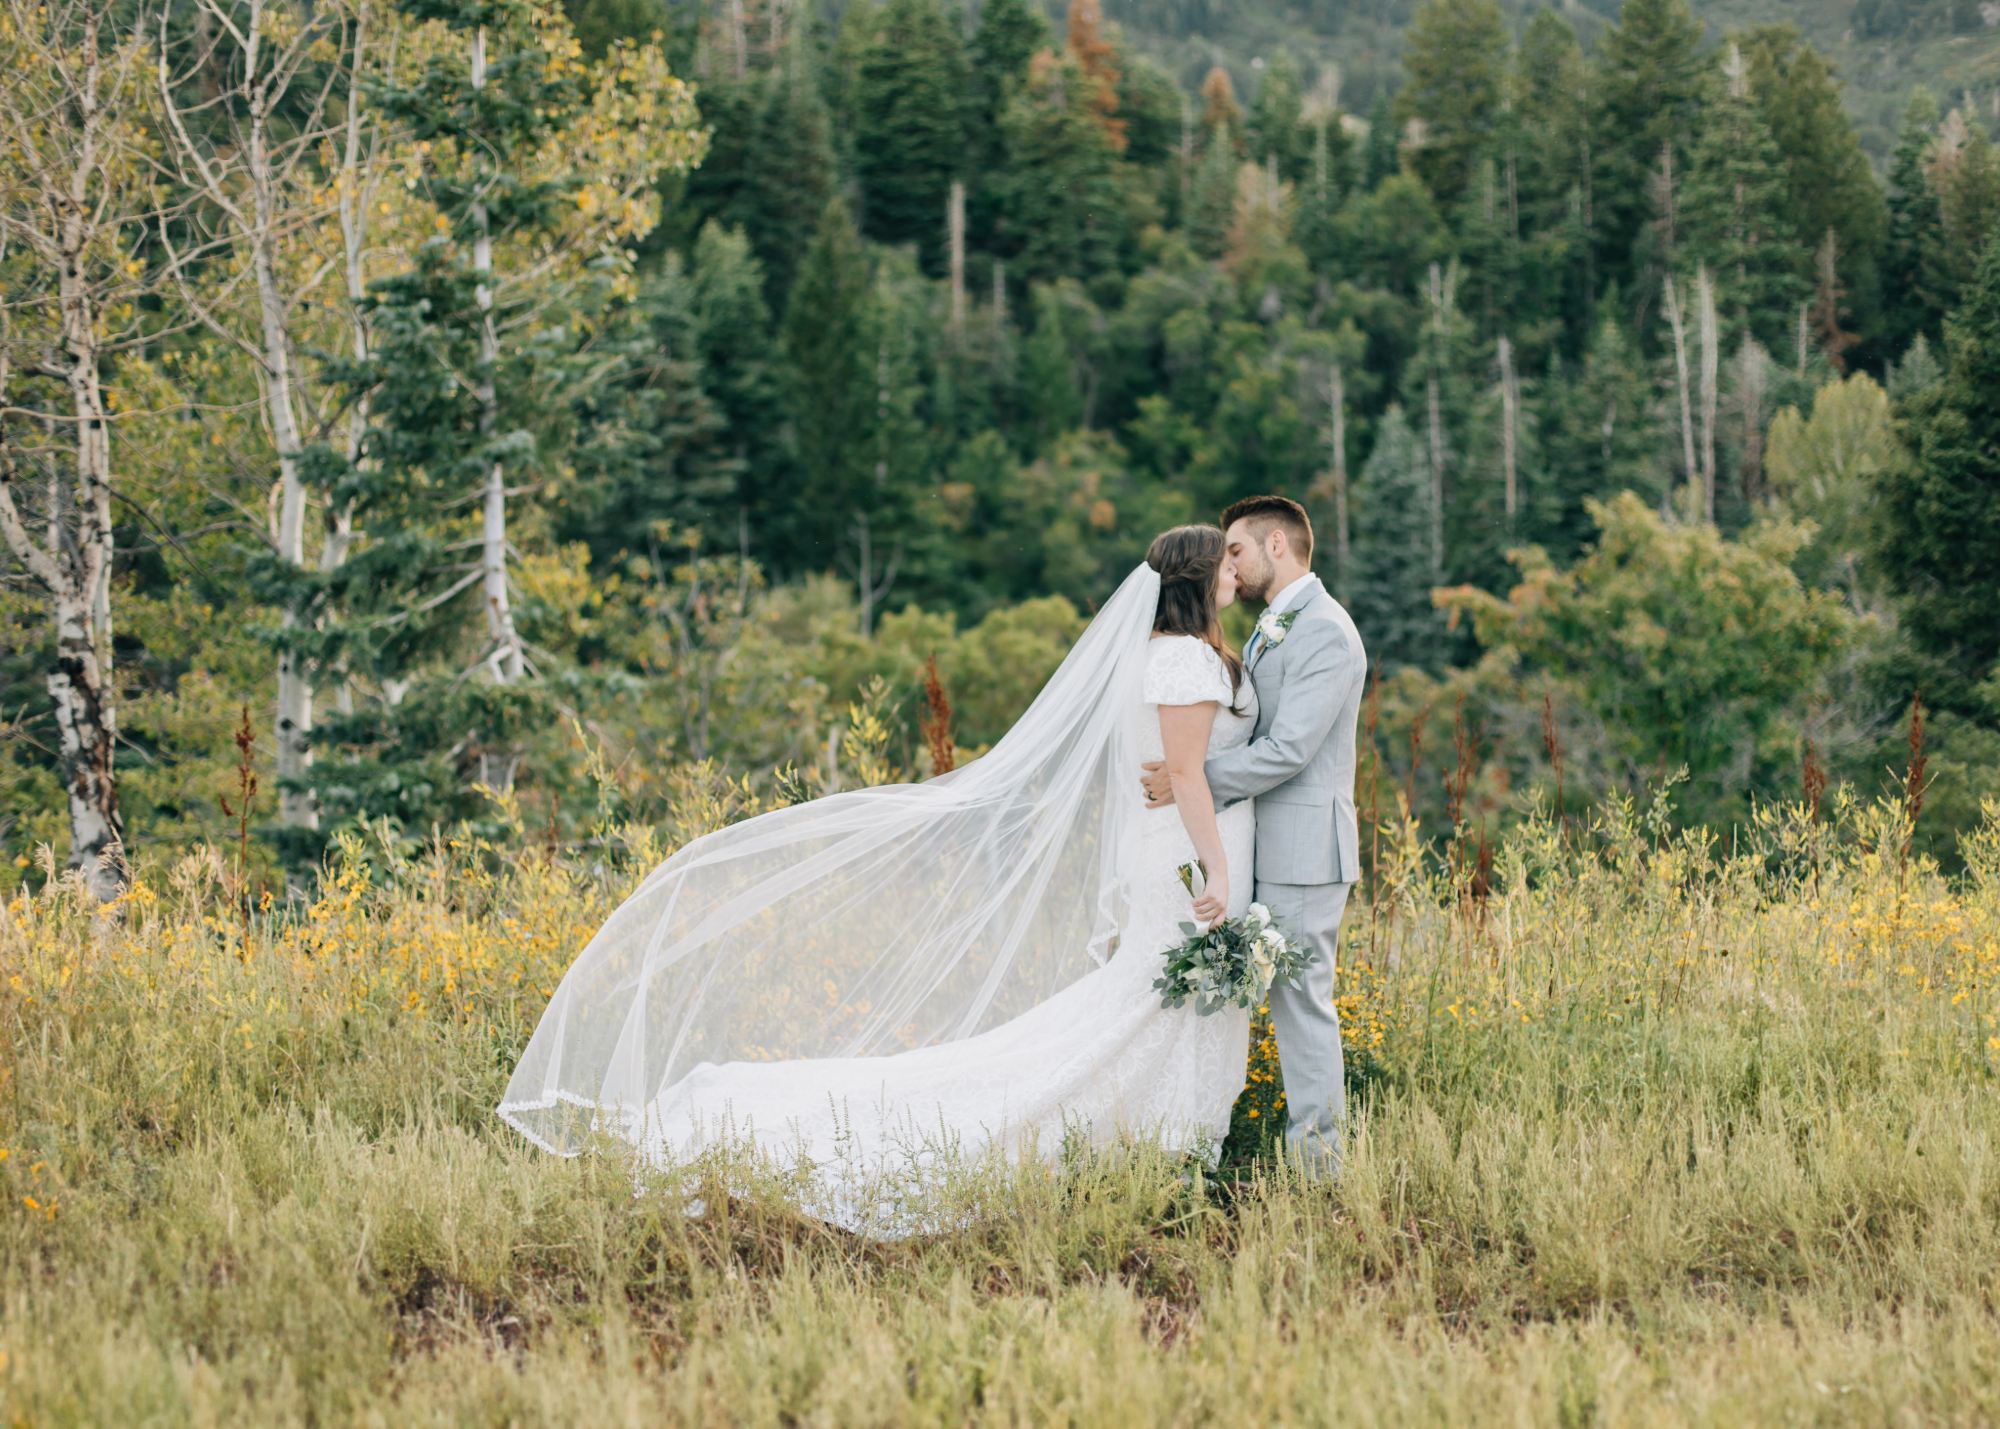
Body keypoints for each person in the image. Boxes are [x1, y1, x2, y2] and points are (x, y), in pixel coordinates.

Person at [498, 525, 1270, 1227]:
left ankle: (1159, 1147)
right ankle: (1150, 1146)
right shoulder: (1185, 659)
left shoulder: (1174, 655)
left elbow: (1187, 767)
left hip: (1174, 852)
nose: (1236, 570)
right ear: (1200, 579)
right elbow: (1185, 773)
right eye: (1226, 560)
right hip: (1186, 861)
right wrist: (1220, 870)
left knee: (1149, 1005)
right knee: (1147, 1006)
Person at [1143, 495, 1366, 1174]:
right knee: (1267, 1001)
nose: (1228, 567)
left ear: (1277, 545)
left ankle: (1320, 1167)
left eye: (1235, 550)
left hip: (1305, 851)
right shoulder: (1276, 625)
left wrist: (1193, 776)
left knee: (1302, 1007)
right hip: (1266, 844)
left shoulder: (1326, 630)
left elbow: (1290, 749)